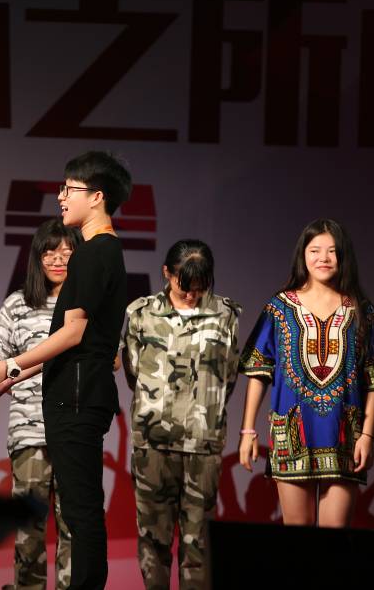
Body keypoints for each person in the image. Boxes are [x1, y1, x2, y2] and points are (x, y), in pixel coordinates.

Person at [0, 151, 132, 589]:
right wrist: (13, 375)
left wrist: (12, 363)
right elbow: (70, 346)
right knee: (81, 512)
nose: (61, 197)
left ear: (97, 196)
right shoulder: (103, 251)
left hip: (77, 398)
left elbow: (74, 334)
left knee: (80, 514)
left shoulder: (93, 253)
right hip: (77, 392)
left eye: (69, 189)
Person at [238, 218, 374, 527]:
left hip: (344, 439)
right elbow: (258, 371)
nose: (324, 258)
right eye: (315, 250)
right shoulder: (279, 308)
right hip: (292, 436)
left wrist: (367, 436)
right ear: (302, 255)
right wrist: (247, 432)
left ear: (344, 256)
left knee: (335, 538)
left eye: (332, 251)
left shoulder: (362, 311)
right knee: (299, 540)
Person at [121, 240, 241, 590]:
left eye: (199, 287)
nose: (191, 295)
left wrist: (204, 410)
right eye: (183, 285)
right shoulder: (141, 313)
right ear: (167, 274)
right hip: (153, 442)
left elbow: (229, 374)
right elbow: (132, 371)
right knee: (153, 538)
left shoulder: (225, 314)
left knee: (199, 541)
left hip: (203, 442)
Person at [0, 219, 82, 590]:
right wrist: (23, 384)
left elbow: (114, 360)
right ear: (38, 258)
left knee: (75, 524)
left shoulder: (87, 305)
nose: (58, 260)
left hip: (76, 430)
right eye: (49, 252)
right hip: (29, 430)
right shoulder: (18, 304)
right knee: (28, 526)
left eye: (67, 252)